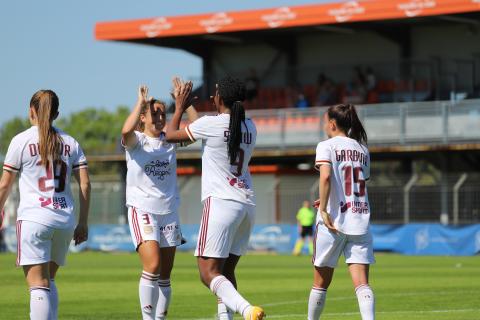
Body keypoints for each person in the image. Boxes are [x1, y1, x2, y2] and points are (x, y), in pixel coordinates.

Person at [166, 76, 265, 320]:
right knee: (225, 274)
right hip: (246, 204)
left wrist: (178, 106)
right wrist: (190, 107)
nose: (213, 97)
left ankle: (247, 310)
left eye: (215, 93)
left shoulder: (212, 124)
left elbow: (170, 136)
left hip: (221, 203)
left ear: (219, 98)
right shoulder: (250, 126)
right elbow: (205, 128)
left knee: (208, 273)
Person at [0, 89, 91, 320]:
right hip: (64, 220)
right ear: (56, 114)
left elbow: (4, 185)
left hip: (34, 219)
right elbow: (85, 184)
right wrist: (83, 223)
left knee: (37, 285)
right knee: (48, 281)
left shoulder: (20, 141)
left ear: (31, 111)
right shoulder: (71, 143)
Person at [121, 83, 197, 320]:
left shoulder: (170, 139)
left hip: (169, 211)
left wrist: (185, 103)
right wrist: (140, 103)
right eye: (154, 113)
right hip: (143, 209)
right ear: (142, 117)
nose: (160, 117)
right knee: (152, 265)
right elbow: (125, 132)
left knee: (165, 274)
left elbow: (198, 129)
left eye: (163, 113)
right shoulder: (137, 141)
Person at [308, 104, 375, 320]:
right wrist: (331, 197)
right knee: (362, 284)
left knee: (320, 283)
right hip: (359, 220)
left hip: (333, 223)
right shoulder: (363, 149)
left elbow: (326, 176)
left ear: (332, 124)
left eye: (324, 120)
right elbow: (355, 184)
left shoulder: (326, 146)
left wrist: (325, 209)